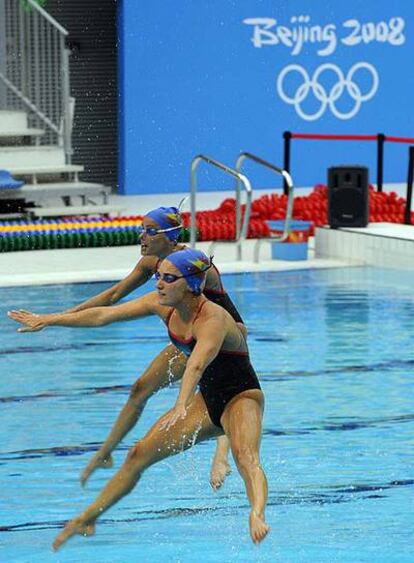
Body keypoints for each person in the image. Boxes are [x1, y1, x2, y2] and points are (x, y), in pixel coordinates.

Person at [9, 248, 268, 549]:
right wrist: (50, 319)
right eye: (158, 276)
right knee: (137, 455)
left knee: (246, 457)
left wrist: (181, 404)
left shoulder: (213, 319)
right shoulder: (164, 306)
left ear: (191, 285)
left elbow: (196, 364)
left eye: (168, 278)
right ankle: (88, 517)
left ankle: (257, 514)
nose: (158, 283)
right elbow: (105, 315)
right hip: (207, 401)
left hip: (241, 397)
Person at [10, 206, 245, 490]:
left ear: (170, 237)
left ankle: (222, 455)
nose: (141, 237)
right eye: (141, 229)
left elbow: (213, 326)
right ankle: (107, 451)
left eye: (149, 231)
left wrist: (54, 319)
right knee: (140, 388)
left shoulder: (192, 267)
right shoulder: (151, 262)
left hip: (220, 339)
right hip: (186, 338)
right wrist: (57, 317)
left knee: (214, 388)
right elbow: (113, 296)